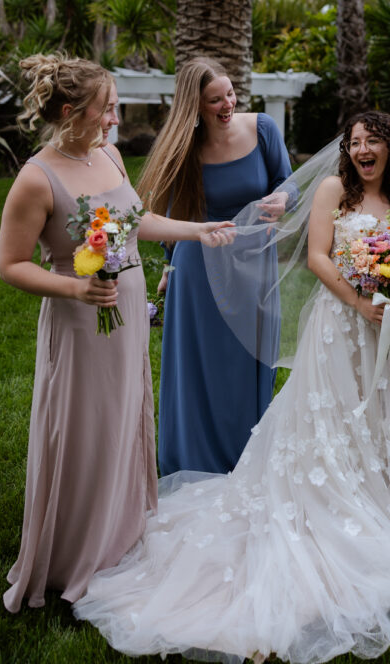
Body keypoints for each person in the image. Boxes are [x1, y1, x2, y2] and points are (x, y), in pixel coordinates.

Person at [73, 111, 390, 661]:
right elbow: (316, 257)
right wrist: (362, 302)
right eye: (355, 142)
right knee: (337, 423)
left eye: (372, 142)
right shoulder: (334, 190)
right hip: (342, 328)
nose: (362, 150)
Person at [0, 54, 234, 613]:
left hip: (124, 316)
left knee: (125, 418)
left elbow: (136, 222)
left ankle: (123, 530)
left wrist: (197, 231)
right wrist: (76, 290)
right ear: (68, 110)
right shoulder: (37, 177)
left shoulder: (108, 155)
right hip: (80, 322)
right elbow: (10, 264)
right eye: (105, 109)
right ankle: (75, 550)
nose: (113, 119)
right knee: (85, 429)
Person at [136, 56, 292, 475]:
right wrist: (169, 269)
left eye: (230, 94)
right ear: (194, 107)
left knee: (250, 361)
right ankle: (193, 459)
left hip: (256, 263)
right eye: (214, 100)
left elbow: (286, 180)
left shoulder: (263, 129)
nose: (227, 105)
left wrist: (284, 199)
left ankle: (246, 460)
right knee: (198, 368)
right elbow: (172, 211)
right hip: (199, 269)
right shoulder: (184, 148)